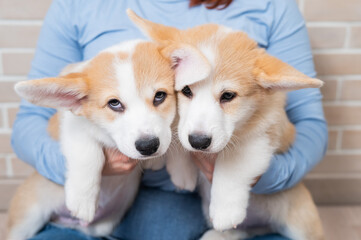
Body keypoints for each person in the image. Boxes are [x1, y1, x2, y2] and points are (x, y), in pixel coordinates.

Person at [11, 0, 328, 239]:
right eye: (186, 90)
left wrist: (267, 177)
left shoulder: (271, 7)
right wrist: (89, 172)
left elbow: (310, 125)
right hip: (122, 192)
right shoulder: (78, 6)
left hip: (205, 197)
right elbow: (30, 123)